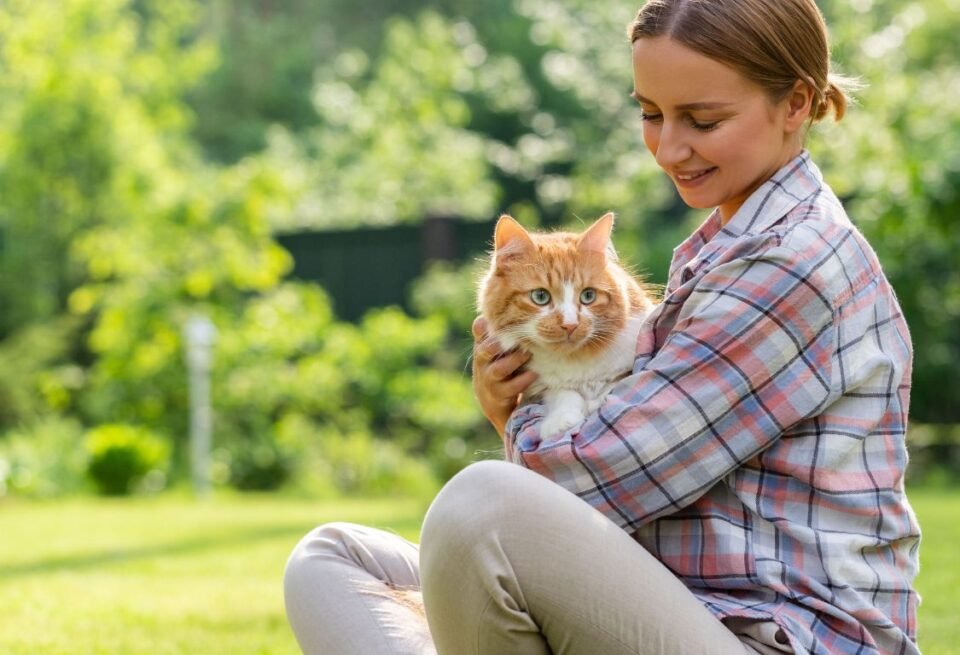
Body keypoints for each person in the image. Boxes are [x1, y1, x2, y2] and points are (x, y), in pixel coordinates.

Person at [282, 1, 922, 653]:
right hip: (683, 599)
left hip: (773, 636)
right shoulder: (727, 243)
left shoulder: (792, 264)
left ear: (795, 104)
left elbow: (600, 479)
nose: (669, 147)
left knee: (480, 505)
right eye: (651, 113)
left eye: (702, 119)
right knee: (331, 558)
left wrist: (509, 415)